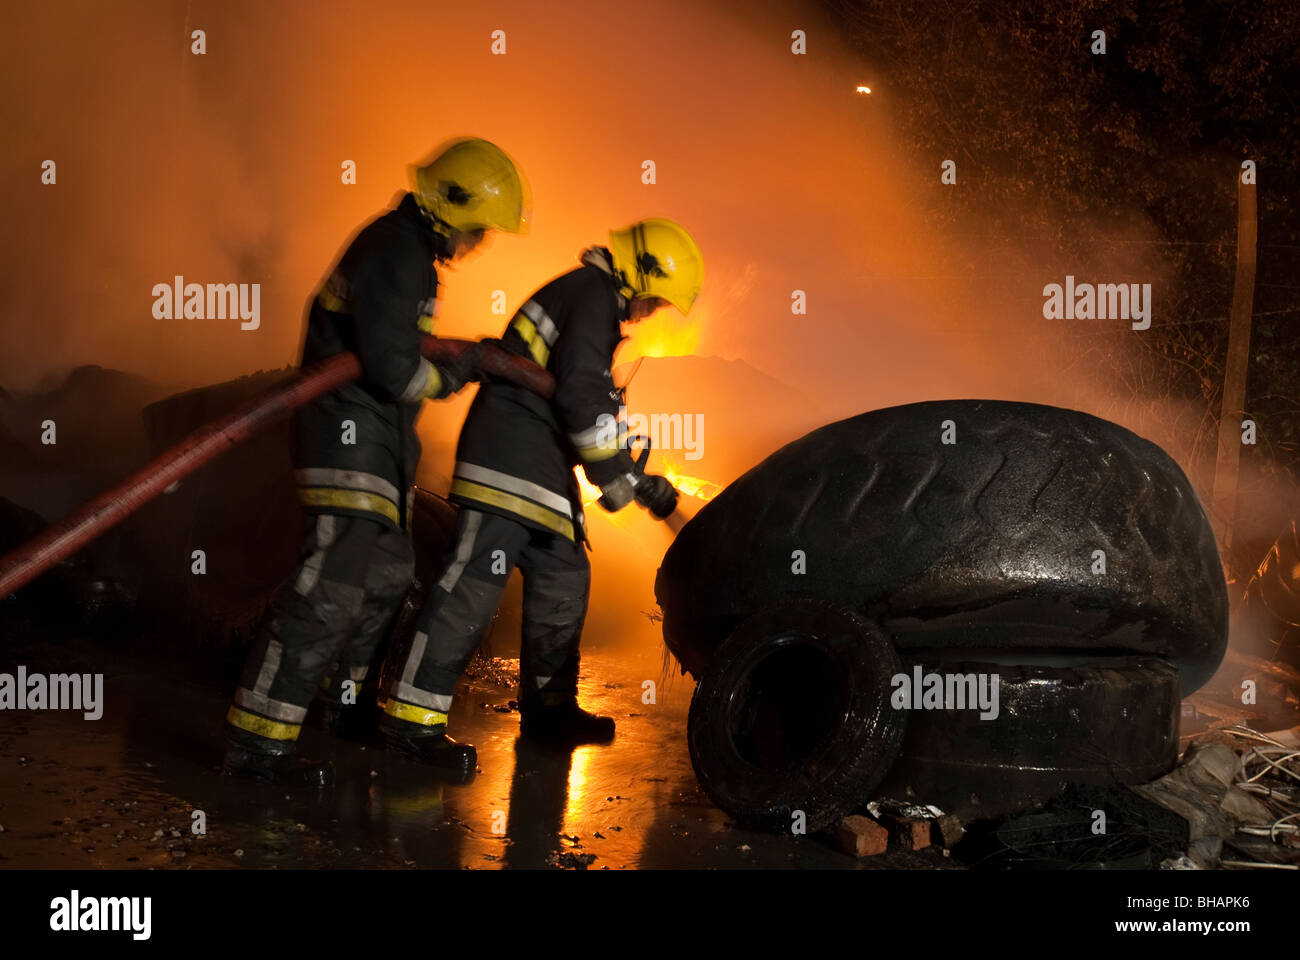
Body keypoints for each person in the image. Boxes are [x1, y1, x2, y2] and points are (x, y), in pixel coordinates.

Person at [223, 138, 531, 785]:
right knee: (330, 588)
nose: (479, 242)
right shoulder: (397, 250)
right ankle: (260, 740)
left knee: (389, 574)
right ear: (452, 206)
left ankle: (344, 707)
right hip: (345, 442)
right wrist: (460, 374)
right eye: (479, 229)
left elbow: (392, 347)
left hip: (377, 449)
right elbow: (394, 370)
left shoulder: (408, 255)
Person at [378, 218, 704, 776]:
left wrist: (629, 472)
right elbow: (580, 393)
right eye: (657, 300)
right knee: (471, 592)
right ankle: (412, 720)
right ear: (640, 274)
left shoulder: (593, 306)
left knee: (565, 579)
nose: (652, 312)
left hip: (545, 469)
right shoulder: (591, 297)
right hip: (507, 459)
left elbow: (585, 405)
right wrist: (620, 480)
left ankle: (549, 712)